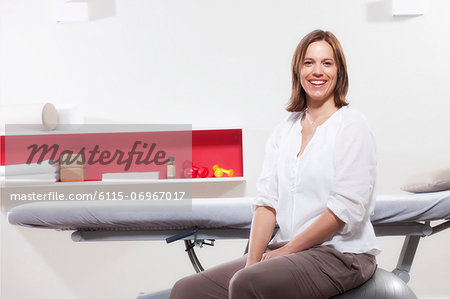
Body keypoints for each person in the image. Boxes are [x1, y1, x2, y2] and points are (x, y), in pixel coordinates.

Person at [170, 29, 380, 299]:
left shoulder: (351, 125)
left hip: (340, 254)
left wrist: (285, 251)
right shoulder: (285, 130)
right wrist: (252, 262)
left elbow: (344, 209)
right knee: (188, 290)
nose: (318, 71)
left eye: (327, 63)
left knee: (247, 284)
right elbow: (267, 202)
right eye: (309, 63)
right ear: (298, 71)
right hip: (290, 250)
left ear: (339, 72)